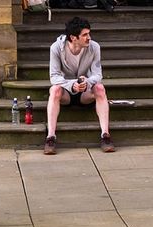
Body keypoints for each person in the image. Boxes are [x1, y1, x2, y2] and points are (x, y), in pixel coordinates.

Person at [44, 17, 114, 155]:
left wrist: (87, 81)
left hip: (85, 93)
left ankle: (105, 136)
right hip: (66, 93)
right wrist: (71, 84)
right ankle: (50, 138)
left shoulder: (94, 47)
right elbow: (54, 76)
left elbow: (97, 74)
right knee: (54, 89)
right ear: (73, 38)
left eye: (89, 33)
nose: (89, 37)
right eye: (85, 35)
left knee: (100, 88)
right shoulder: (56, 48)